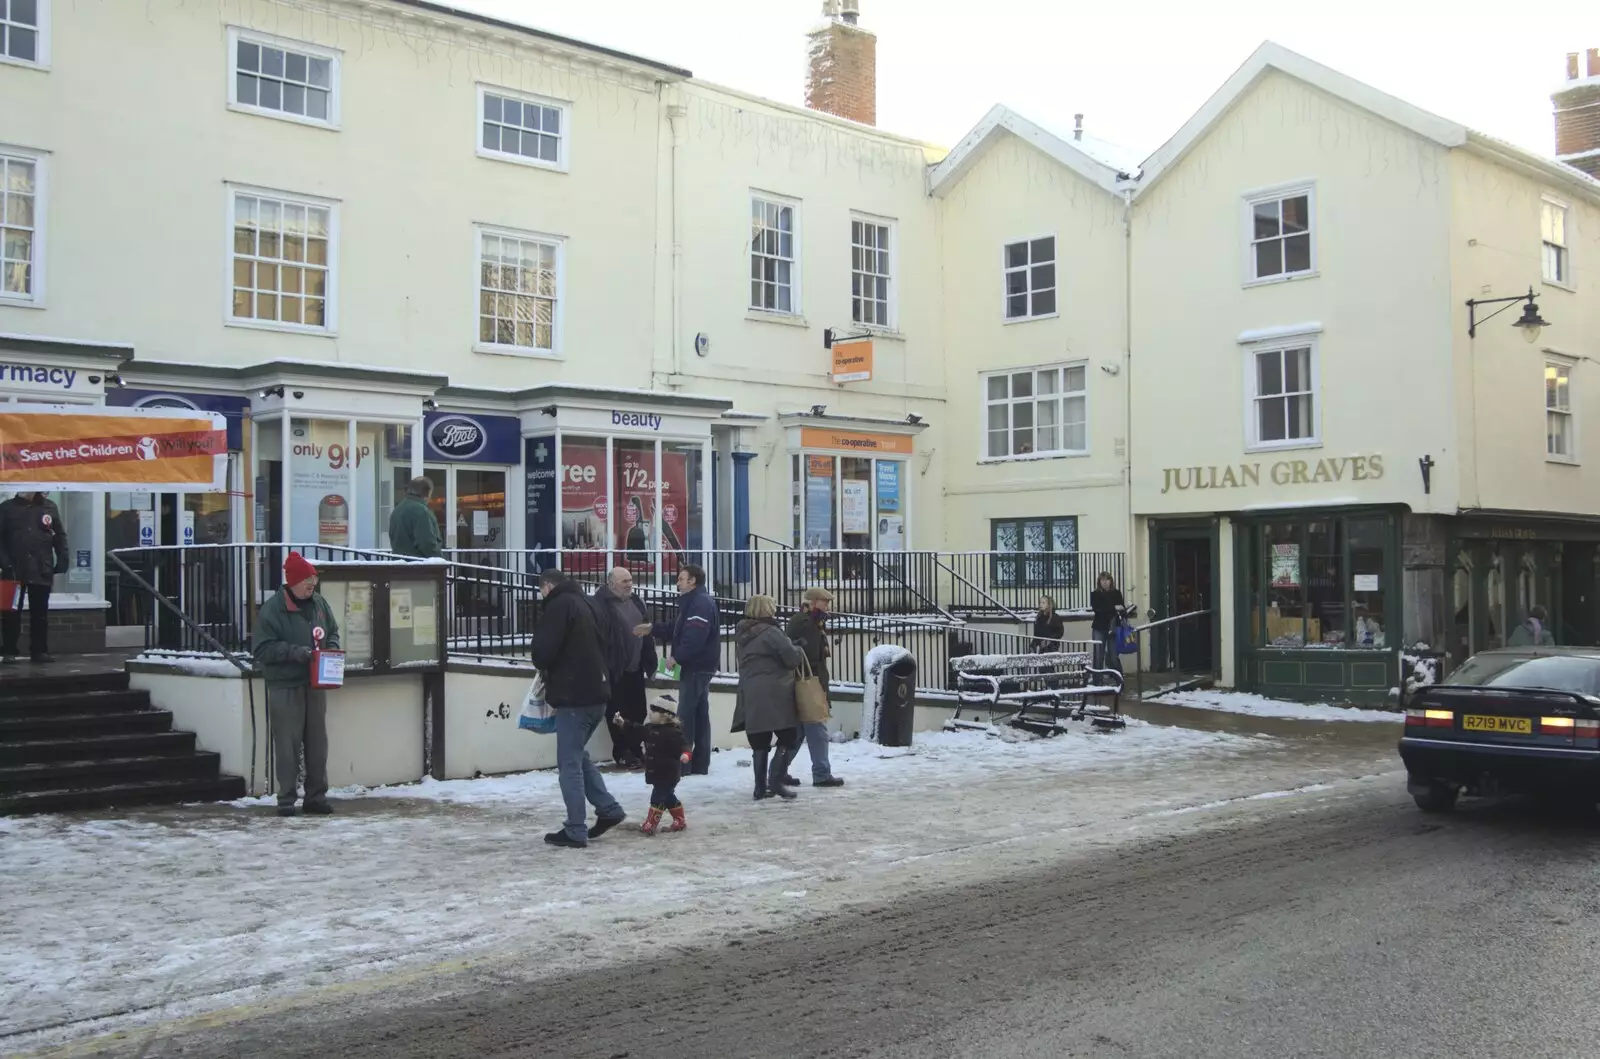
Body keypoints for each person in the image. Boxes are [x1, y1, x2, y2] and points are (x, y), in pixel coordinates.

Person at [529, 568, 626, 848]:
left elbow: (542, 653)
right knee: (578, 757)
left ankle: (575, 828)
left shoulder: (560, 606)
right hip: (599, 692)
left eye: (541, 591)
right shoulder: (590, 603)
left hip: (574, 696)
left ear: (547, 586)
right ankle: (609, 809)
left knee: (569, 764)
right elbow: (612, 643)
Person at [252, 552, 341, 817]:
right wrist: (296, 652)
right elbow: (262, 648)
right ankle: (286, 800)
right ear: (292, 582)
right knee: (287, 745)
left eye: (313, 580)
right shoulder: (272, 610)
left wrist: (332, 650)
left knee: (317, 744)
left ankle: (316, 797)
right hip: (285, 685)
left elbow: (333, 631)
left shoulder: (320, 604)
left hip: (315, 684)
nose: (311, 585)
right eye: (306, 581)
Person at [640, 564, 719, 776]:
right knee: (699, 716)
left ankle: (683, 765)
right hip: (701, 666)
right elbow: (678, 627)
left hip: (696, 666)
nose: (677, 582)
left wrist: (677, 658)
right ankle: (699, 764)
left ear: (692, 581)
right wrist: (652, 629)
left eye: (681, 578)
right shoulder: (693, 603)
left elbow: (694, 637)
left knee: (685, 716)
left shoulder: (699, 604)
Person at [734, 595, 806, 800]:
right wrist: (799, 648)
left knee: (759, 741)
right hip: (775, 693)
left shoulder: (742, 633)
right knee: (788, 736)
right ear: (767, 610)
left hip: (750, 692)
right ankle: (775, 781)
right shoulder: (772, 632)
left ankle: (759, 788)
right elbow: (791, 658)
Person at [785, 587, 844, 788]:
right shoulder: (806, 623)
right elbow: (809, 654)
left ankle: (778, 772)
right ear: (812, 602)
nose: (827, 606)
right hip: (809, 683)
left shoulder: (810, 621)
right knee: (817, 729)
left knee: (799, 732)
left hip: (808, 681)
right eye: (824, 602)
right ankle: (821, 774)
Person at [0, 491, 68, 664]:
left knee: (40, 613)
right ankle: (9, 650)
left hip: (41, 568)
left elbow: (59, 535)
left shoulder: (49, 506)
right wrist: (5, 564)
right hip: (14, 570)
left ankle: (39, 651)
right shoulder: (6, 509)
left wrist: (62, 558)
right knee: (11, 612)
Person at [611, 693, 691, 834]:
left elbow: (684, 745)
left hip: (669, 773)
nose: (650, 713)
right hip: (656, 771)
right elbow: (636, 729)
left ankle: (651, 824)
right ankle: (680, 820)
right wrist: (623, 723)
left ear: (665, 715)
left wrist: (686, 754)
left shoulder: (674, 733)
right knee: (667, 797)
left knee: (657, 797)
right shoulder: (649, 728)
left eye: (654, 710)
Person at [602, 566, 656, 767]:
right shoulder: (602, 603)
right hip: (615, 669)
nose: (629, 584)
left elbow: (647, 631)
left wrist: (650, 660)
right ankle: (623, 751)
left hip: (636, 667)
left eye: (630, 580)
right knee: (617, 712)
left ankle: (635, 748)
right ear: (611, 583)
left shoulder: (636, 601)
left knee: (638, 711)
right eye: (624, 581)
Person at [388, 476, 443, 559]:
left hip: (399, 565)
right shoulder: (421, 511)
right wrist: (439, 560)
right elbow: (427, 542)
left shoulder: (397, 509)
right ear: (428, 493)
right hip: (419, 566)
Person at [1090, 572, 1127, 670]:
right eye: (1102, 580)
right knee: (1098, 657)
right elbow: (1098, 609)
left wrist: (1120, 610)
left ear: (1111, 581)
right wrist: (1114, 607)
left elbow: (1122, 609)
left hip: (1114, 627)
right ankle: (1097, 682)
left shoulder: (1117, 593)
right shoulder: (1095, 594)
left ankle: (1119, 680)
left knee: (1113, 656)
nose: (1105, 582)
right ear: (1099, 582)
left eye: (1107, 580)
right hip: (1099, 627)